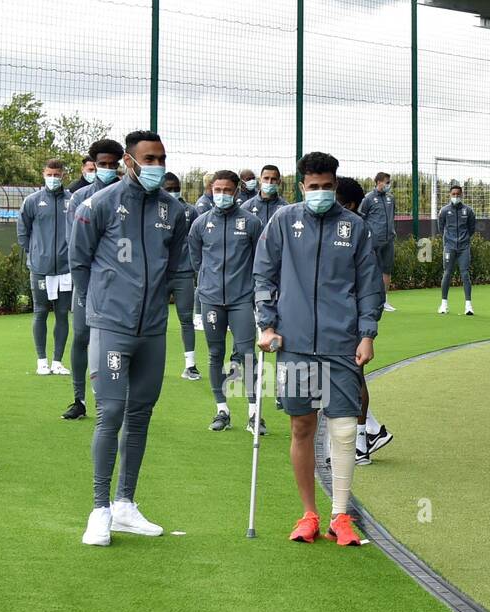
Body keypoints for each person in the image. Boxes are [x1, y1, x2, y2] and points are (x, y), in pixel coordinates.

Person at [253, 151, 383, 547]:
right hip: (292, 342)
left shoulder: (355, 228)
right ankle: (309, 513)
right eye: (314, 187)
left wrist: (367, 333)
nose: (321, 193)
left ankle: (340, 516)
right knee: (301, 425)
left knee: (344, 429)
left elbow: (369, 284)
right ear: (301, 187)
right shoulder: (282, 221)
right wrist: (266, 323)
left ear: (335, 184)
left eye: (328, 187)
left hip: (341, 341)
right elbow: (263, 272)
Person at [69, 130, 189, 546]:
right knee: (111, 412)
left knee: (140, 416)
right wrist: (95, 310)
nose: (157, 166)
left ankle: (125, 505)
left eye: (162, 158)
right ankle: (99, 508)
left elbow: (173, 267)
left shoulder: (174, 211)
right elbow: (79, 262)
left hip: (153, 330)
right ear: (128, 162)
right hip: (111, 327)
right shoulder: (98, 204)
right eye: (149, 159)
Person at [188, 169, 264, 433]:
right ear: (212, 190)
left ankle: (255, 414)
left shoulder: (252, 223)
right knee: (215, 354)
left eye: (227, 190)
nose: (221, 195)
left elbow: (260, 261)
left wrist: (254, 293)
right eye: (217, 190)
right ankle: (222, 410)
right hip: (211, 299)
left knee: (248, 355)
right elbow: (196, 259)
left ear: (237, 191)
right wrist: (208, 283)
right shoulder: (200, 223)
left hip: (242, 299)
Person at [61, 138, 124, 420]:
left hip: (122, 283)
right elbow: (74, 245)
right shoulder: (79, 198)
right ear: (93, 165)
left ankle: (112, 399)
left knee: (119, 341)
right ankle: (79, 399)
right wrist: (85, 286)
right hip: (89, 281)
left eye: (113, 164)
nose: (107, 169)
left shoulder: (128, 197)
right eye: (102, 164)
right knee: (82, 336)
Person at [335, 177, 394, 464]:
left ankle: (361, 442)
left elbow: (370, 284)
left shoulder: (357, 232)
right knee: (341, 379)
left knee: (352, 377)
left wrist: (366, 327)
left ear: (350, 205)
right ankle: (371, 430)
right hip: (336, 315)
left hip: (354, 316)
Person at [17, 159, 74, 376]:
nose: (53, 178)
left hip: (66, 269)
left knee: (62, 314)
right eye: (49, 174)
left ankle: (57, 361)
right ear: (43, 174)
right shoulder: (32, 201)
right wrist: (35, 253)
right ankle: (42, 360)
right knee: (40, 312)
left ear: (63, 176)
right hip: (40, 268)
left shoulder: (72, 200)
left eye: (57, 175)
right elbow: (23, 231)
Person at [163, 171, 202, 381]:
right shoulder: (153, 209)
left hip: (184, 273)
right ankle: (152, 364)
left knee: (186, 319)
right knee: (155, 320)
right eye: (167, 189)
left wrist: (196, 268)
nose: (172, 192)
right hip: (159, 275)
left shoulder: (191, 211)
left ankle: (191, 365)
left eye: (175, 188)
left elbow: (197, 241)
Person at [359, 172, 398, 312]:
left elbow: (392, 217)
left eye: (389, 182)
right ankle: (369, 301)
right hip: (373, 242)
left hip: (389, 240)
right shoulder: (368, 198)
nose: (388, 185)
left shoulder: (390, 198)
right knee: (372, 271)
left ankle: (384, 301)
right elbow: (361, 218)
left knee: (387, 270)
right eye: (386, 182)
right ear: (378, 182)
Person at [437, 184, 476, 315]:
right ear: (450, 195)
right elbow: (441, 228)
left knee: (465, 274)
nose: (455, 196)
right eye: (453, 194)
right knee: (447, 273)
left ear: (462, 195)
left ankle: (469, 306)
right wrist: (450, 240)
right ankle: (443, 305)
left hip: (464, 247)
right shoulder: (444, 211)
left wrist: (463, 239)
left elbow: (471, 229)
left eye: (458, 194)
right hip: (449, 247)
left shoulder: (468, 211)